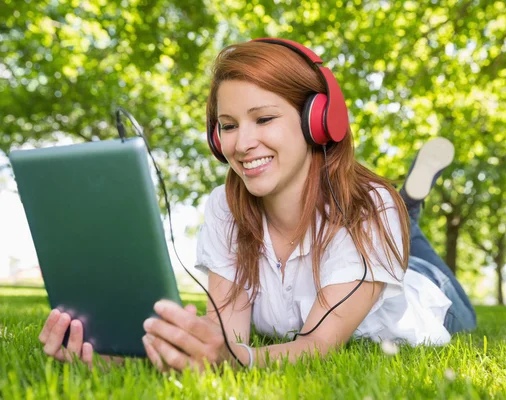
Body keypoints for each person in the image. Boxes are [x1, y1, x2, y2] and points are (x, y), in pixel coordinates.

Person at [38, 38, 476, 371]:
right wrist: (115, 354)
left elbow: (315, 347)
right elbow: (225, 336)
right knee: (393, 224)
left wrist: (233, 360)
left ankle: (409, 206)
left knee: (403, 229)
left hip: (430, 292)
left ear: (319, 121)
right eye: (228, 125)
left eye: (264, 119)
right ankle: (409, 210)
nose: (242, 144)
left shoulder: (369, 210)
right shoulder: (225, 208)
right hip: (368, 242)